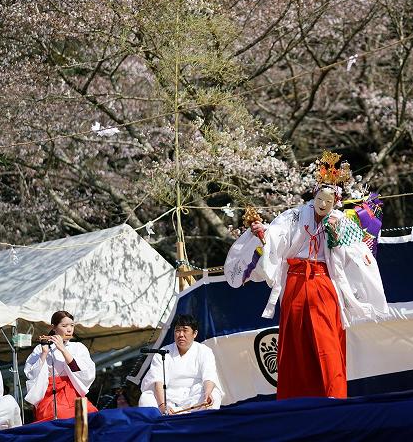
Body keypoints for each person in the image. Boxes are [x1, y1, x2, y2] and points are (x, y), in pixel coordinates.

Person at [224, 151, 389, 400]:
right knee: (295, 345)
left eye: (329, 202)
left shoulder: (341, 220)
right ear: (314, 195)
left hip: (323, 283)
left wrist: (336, 237)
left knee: (327, 345)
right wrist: (264, 233)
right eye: (320, 199)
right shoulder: (294, 216)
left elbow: (357, 253)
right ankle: (295, 401)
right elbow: (277, 234)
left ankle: (332, 398)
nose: (323, 206)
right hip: (296, 283)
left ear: (336, 201)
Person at [138, 314, 223, 413]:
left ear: (194, 334)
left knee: (214, 394)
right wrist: (162, 405)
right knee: (146, 398)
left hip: (195, 398)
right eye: (177, 330)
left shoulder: (204, 351)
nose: (181, 334)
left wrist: (207, 394)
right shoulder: (163, 352)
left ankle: (200, 421)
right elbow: (157, 380)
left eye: (185, 330)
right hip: (168, 399)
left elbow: (209, 375)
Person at [23, 311, 98, 421]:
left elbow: (86, 373)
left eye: (72, 325)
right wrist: (44, 353)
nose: (69, 329)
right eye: (64, 326)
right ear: (54, 327)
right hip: (49, 393)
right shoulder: (41, 348)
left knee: (91, 417)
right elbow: (31, 374)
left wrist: (62, 349)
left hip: (72, 391)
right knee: (58, 417)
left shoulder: (78, 347)